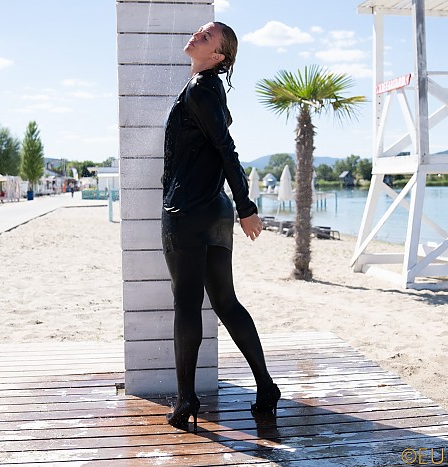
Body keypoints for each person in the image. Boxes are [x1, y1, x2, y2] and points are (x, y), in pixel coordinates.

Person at [161, 21, 280, 433]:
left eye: (207, 36)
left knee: (187, 305)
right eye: (199, 31)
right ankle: (266, 387)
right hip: (214, 209)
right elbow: (217, 150)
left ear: (218, 56)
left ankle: (186, 398)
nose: (196, 35)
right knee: (226, 302)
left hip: (188, 211)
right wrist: (239, 206)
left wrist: (247, 206)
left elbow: (228, 151)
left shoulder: (199, 90)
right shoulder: (209, 89)